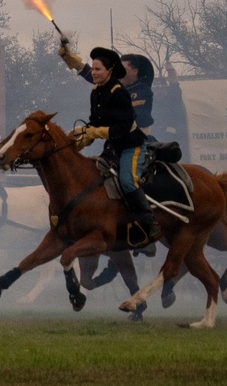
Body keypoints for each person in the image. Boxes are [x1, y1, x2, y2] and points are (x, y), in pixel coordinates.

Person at [58, 45, 161, 244]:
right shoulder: (106, 88)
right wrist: (70, 59)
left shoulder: (136, 92)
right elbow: (92, 74)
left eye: (122, 68)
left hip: (133, 143)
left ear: (134, 72)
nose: (117, 72)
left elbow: (123, 125)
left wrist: (93, 132)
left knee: (128, 181)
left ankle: (149, 223)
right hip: (113, 144)